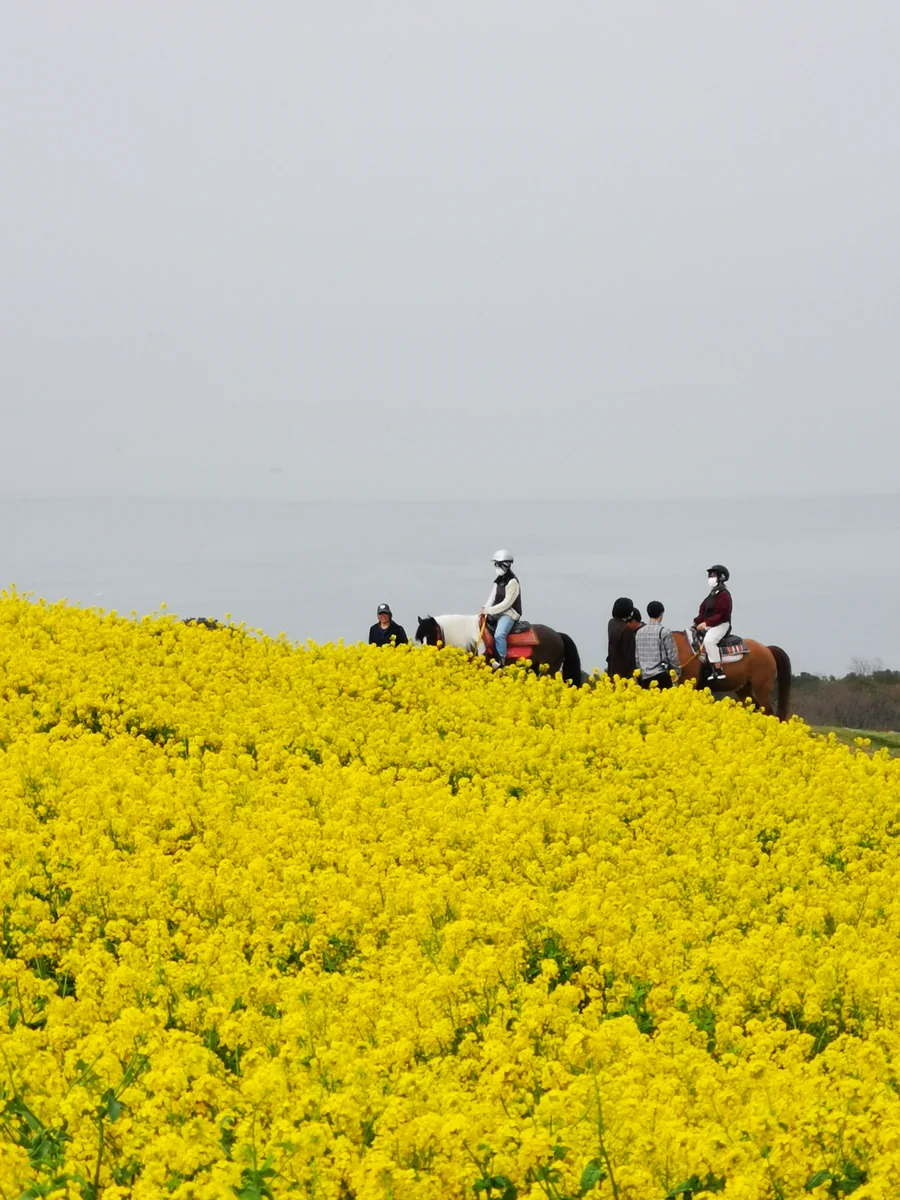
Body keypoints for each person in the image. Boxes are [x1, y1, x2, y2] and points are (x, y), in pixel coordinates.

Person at [482, 550, 522, 667]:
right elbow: (492, 596)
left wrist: (490, 610)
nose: (496, 567)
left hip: (510, 613)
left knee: (499, 634)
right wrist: (485, 608)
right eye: (496, 564)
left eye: (498, 564)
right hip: (497, 611)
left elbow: (507, 603)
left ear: (506, 565)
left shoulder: (513, 582)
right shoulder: (498, 580)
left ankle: (501, 661)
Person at [694, 565, 733, 682]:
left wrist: (706, 623)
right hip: (710, 624)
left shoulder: (724, 595)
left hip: (722, 624)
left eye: (713, 575)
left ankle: (718, 669)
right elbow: (703, 611)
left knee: (709, 640)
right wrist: (696, 622)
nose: (710, 578)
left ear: (721, 577)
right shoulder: (711, 595)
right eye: (710, 575)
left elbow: (722, 614)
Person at [635, 601, 681, 689]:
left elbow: (637, 658)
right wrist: (677, 673)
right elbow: (672, 656)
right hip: (661, 676)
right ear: (661, 614)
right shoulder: (664, 632)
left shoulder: (639, 632)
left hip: (644, 678)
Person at [607, 597, 637, 679]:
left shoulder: (611, 623)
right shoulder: (626, 630)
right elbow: (629, 657)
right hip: (624, 674)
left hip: (612, 669)